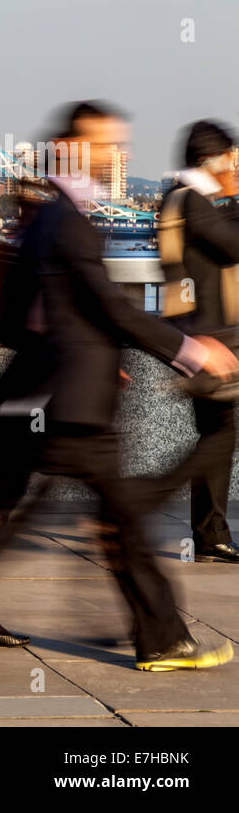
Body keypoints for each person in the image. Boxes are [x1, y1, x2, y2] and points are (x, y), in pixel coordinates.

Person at [0, 101, 239, 672]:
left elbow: (49, 309)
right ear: (74, 150)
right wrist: (189, 350)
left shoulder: (49, 217)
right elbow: (108, 304)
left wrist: (95, 353)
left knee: (26, 514)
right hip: (66, 402)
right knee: (95, 520)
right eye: (107, 145)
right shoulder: (66, 221)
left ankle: (158, 637)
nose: (118, 154)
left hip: (44, 390)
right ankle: (159, 638)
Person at [147, 120, 239, 562]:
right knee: (218, 434)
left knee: (217, 432)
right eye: (231, 160)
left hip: (195, 334)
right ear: (212, 160)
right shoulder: (197, 205)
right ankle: (151, 505)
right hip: (209, 340)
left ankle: (211, 533)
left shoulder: (179, 198)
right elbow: (233, 246)